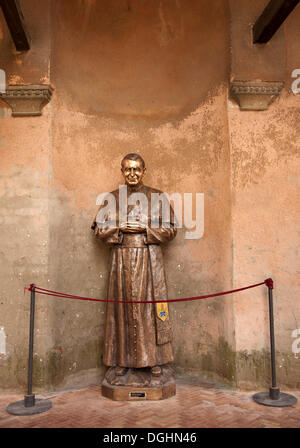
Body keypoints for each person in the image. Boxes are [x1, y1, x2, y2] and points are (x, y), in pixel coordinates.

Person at [91, 153, 176, 383]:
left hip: (150, 260)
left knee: (150, 311)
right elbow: (98, 230)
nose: (132, 174)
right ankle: (122, 362)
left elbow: (170, 230)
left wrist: (144, 229)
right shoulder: (111, 199)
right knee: (122, 312)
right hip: (121, 259)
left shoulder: (158, 197)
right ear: (121, 171)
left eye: (136, 169)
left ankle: (155, 361)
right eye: (127, 169)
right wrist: (120, 227)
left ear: (144, 170)